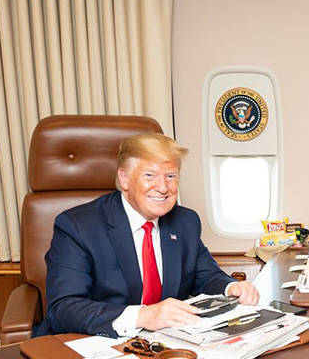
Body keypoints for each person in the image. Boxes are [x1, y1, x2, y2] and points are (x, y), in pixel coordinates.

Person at [35, 133, 259, 338]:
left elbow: (205, 275)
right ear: (124, 179)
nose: (163, 187)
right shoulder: (77, 226)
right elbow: (63, 308)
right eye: (150, 175)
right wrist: (144, 316)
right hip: (95, 341)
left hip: (164, 341)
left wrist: (231, 288)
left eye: (171, 176)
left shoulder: (185, 222)